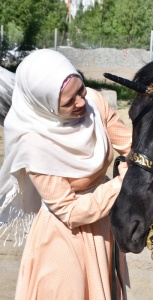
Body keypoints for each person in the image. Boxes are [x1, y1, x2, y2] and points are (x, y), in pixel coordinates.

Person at [0, 49, 132, 299]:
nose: (81, 102)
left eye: (80, 90)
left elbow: (131, 145)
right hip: (64, 239)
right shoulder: (34, 143)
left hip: (103, 226)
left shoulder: (94, 102)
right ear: (45, 105)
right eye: (69, 102)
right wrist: (121, 184)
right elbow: (70, 211)